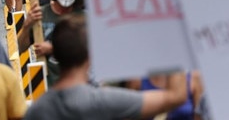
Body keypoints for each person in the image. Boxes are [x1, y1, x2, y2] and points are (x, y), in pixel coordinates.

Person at [23, 14, 187, 120]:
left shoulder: (37, 110)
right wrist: (172, 36)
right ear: (90, 56)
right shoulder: (104, 101)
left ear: (55, 54)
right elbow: (175, 97)